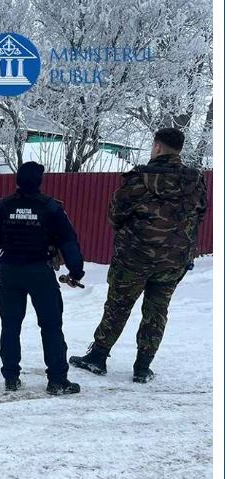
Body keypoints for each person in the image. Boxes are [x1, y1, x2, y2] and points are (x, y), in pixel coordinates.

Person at [70, 128, 207, 383]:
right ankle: (143, 367)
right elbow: (200, 215)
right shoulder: (195, 181)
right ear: (179, 149)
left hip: (133, 259)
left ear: (157, 147)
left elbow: (115, 216)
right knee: (157, 311)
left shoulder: (138, 179)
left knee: (118, 307)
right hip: (173, 261)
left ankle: (98, 357)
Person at [0, 162, 85, 395]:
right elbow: (69, 242)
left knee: (10, 326)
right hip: (40, 273)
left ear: (17, 180)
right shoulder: (51, 208)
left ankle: (11, 378)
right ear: (40, 181)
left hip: (9, 272)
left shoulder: (1, 207)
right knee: (51, 327)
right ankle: (57, 380)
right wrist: (76, 271)